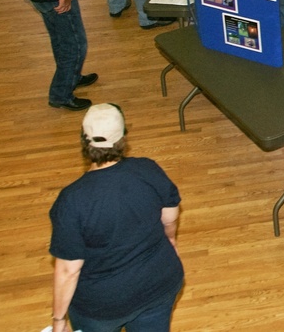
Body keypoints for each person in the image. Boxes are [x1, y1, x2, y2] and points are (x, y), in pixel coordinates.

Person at [49, 104, 184, 332]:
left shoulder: (72, 200)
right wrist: (170, 240)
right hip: (160, 283)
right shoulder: (148, 169)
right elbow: (170, 217)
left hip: (102, 307)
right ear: (123, 139)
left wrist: (59, 320)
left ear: (84, 140)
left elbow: (68, 270)